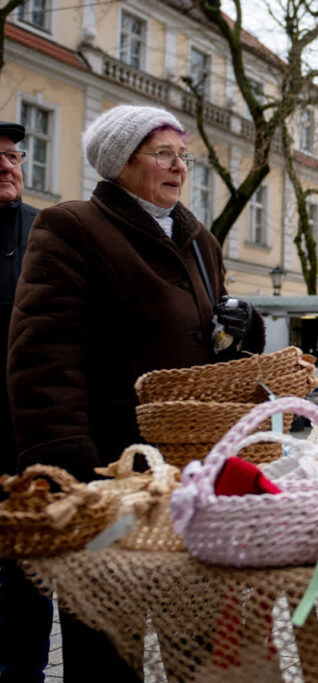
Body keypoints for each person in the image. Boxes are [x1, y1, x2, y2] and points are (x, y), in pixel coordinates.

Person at [7, 105, 264, 681]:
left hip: (190, 474)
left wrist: (242, 328)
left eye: (184, 156)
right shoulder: (71, 226)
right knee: (107, 641)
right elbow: (42, 354)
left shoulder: (200, 240)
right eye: (163, 154)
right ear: (121, 162)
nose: (179, 168)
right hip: (108, 471)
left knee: (197, 638)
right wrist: (68, 473)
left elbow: (216, 358)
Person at [0, 121, 51, 683]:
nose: (5, 164)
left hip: (25, 439)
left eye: (12, 154)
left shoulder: (45, 234)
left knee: (27, 572)